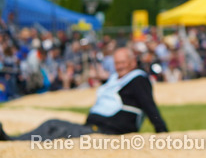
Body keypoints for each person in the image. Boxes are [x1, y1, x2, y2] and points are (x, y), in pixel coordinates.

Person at [0, 47, 168, 141]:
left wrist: (162, 131)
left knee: (56, 128)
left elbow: (148, 104)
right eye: (116, 63)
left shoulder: (138, 79)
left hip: (108, 133)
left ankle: (14, 141)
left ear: (132, 62)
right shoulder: (118, 78)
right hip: (94, 128)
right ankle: (16, 140)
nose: (119, 66)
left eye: (123, 62)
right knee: (52, 124)